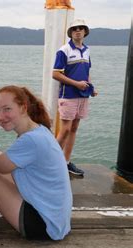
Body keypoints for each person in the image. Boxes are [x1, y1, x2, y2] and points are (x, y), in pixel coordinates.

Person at [0, 85, 72, 240]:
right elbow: (0, 163)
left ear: (23, 108)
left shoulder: (31, 140)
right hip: (54, 219)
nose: (1, 116)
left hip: (42, 224)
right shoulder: (40, 131)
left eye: (7, 109)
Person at [52, 19, 98, 177]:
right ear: (71, 33)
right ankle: (51, 162)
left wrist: (91, 87)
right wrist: (76, 84)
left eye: (81, 28)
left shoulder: (87, 50)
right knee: (65, 130)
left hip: (83, 96)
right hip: (68, 95)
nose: (78, 31)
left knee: (74, 129)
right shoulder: (63, 50)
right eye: (74, 29)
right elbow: (55, 74)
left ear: (85, 32)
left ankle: (65, 162)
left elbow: (87, 71)